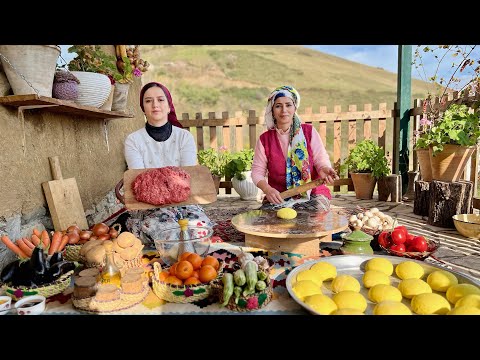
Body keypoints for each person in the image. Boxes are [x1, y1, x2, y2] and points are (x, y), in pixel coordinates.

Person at [122, 81, 214, 245]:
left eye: (160, 99)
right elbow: (140, 181)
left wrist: (161, 185)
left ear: (169, 105)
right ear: (143, 107)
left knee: (200, 230)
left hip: (184, 203)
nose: (155, 105)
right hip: (148, 205)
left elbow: (186, 177)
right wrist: (167, 185)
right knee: (167, 232)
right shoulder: (133, 140)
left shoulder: (184, 137)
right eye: (148, 101)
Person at [251, 85, 338, 211]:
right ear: (272, 110)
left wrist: (323, 168)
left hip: (313, 194)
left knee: (311, 216)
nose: (283, 110)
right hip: (280, 196)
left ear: (295, 107)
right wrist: (267, 190)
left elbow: (321, 159)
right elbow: (257, 172)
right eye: (278, 106)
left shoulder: (309, 132)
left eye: (288, 105)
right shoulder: (265, 140)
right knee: (267, 220)